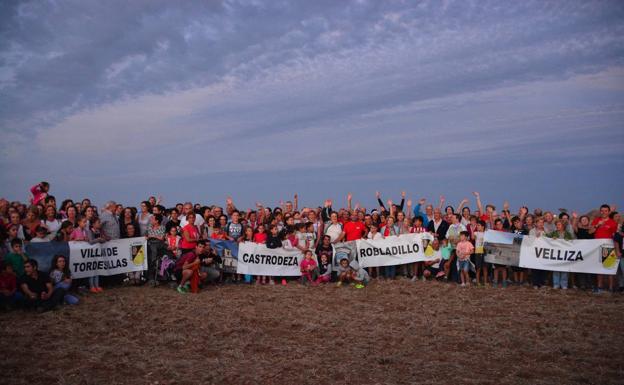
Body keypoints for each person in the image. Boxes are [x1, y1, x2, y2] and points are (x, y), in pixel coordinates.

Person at [592, 204, 618, 293]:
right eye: (602, 211)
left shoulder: (612, 222)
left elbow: (616, 236)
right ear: (600, 211)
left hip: (608, 247)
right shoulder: (596, 220)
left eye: (606, 211)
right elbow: (590, 231)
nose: (603, 212)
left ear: (608, 212)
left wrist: (617, 249)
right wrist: (597, 225)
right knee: (599, 268)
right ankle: (600, 287)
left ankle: (611, 288)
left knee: (609, 267)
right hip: (597, 247)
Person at [472, 220, 487, 286]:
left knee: (485, 267)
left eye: (479, 225)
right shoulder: (476, 233)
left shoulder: (487, 233)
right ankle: (478, 282)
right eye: (477, 225)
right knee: (478, 267)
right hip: (478, 251)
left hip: (485, 251)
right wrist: (473, 229)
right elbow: (472, 237)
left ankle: (485, 282)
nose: (477, 227)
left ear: (483, 226)